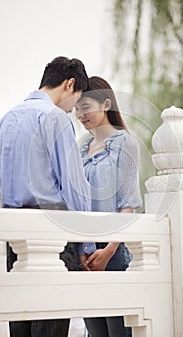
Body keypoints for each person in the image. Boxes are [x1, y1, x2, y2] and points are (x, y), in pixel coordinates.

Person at [0, 56, 96, 337]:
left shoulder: (4, 122)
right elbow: (74, 188)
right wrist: (87, 245)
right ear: (69, 84)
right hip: (53, 234)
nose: (74, 110)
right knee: (51, 322)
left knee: (21, 321)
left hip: (15, 235)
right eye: (76, 102)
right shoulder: (55, 120)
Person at [75, 76, 143, 337]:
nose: (81, 115)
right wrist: (80, 250)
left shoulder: (125, 143)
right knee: (95, 333)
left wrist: (110, 250)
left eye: (86, 107)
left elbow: (128, 203)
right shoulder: (81, 146)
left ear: (105, 104)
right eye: (77, 109)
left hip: (113, 255)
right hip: (84, 255)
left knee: (119, 333)